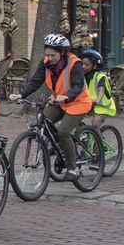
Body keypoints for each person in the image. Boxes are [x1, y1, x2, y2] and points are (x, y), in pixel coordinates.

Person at [19, 32, 94, 180]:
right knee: (43, 121)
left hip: (77, 103)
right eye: (47, 54)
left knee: (63, 131)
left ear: (63, 53)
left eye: (53, 55)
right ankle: (61, 147)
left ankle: (73, 169)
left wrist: (67, 96)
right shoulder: (45, 63)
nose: (50, 58)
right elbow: (36, 81)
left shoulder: (75, 63)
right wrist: (22, 95)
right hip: (58, 101)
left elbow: (78, 85)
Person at [81, 49, 118, 129]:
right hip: (88, 104)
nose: (83, 66)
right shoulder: (82, 76)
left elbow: (101, 89)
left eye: (86, 65)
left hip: (102, 106)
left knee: (95, 124)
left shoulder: (100, 76)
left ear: (94, 66)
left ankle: (98, 140)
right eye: (82, 64)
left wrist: (97, 100)